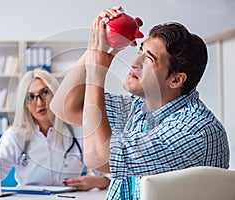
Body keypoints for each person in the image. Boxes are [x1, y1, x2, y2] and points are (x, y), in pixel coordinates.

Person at [50, 6, 230, 200]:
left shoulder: (194, 130)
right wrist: (95, 51)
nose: (135, 62)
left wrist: (97, 71)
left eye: (149, 59)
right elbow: (65, 106)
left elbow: (98, 158)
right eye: (140, 51)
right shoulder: (140, 108)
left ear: (176, 80)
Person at [0, 68, 110, 191]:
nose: (39, 103)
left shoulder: (79, 131)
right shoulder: (15, 136)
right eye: (31, 97)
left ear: (56, 94)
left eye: (44, 93)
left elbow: (112, 174)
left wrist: (101, 181)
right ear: (24, 104)